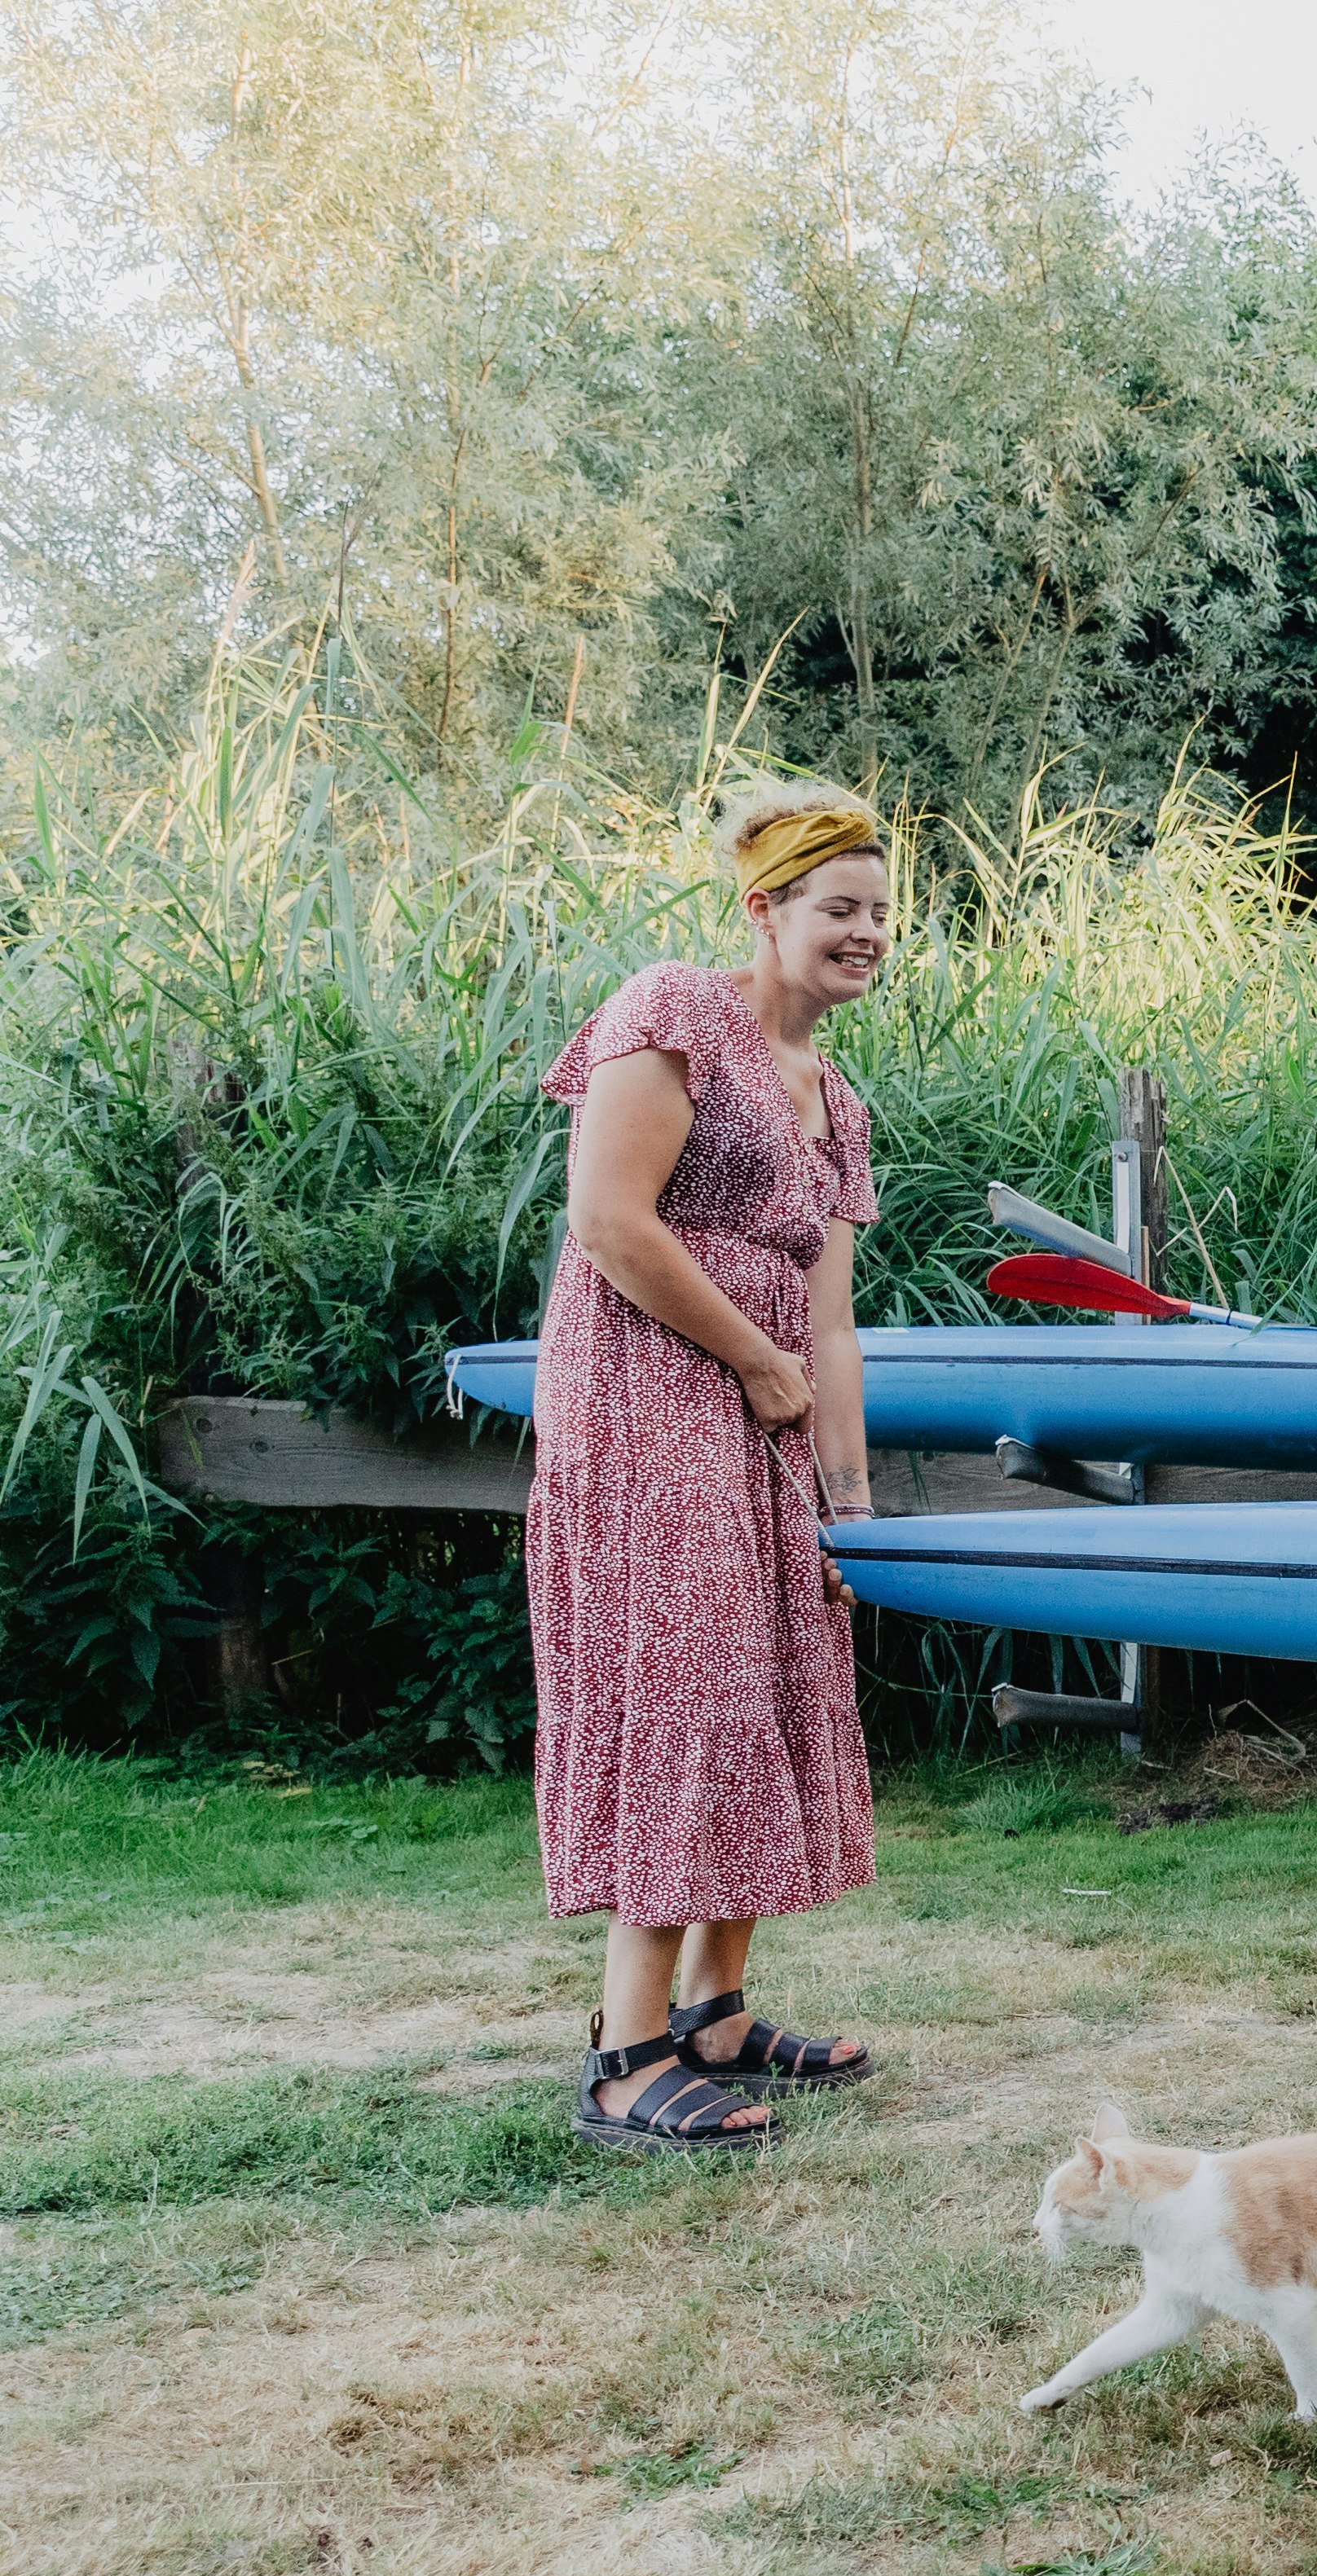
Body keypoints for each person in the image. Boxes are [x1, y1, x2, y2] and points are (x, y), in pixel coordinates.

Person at [528, 779, 892, 2155]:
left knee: (773, 1670)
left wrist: (847, 1510)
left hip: (765, 1408)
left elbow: (834, 1321)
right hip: (645, 1395)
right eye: (836, 908)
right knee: (685, 1682)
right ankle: (625, 2054)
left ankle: (720, 2013)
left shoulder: (836, 1104)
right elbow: (612, 1221)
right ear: (765, 910)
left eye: (879, 913)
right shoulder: (674, 1011)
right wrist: (750, 1359)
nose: (864, 933)